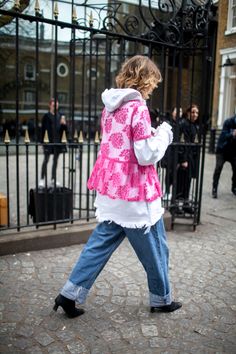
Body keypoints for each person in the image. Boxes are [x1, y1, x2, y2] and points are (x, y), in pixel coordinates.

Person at [53, 55, 182, 318]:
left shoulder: (110, 107)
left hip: (112, 192)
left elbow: (120, 147)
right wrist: (165, 135)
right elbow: (145, 154)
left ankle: (69, 294)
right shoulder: (138, 108)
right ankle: (161, 299)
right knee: (156, 248)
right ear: (144, 79)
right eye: (153, 81)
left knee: (97, 246)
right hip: (136, 196)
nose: (154, 87)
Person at [175, 104, 200, 214]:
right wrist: (183, 160)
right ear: (188, 113)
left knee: (187, 183)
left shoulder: (194, 125)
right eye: (193, 112)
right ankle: (175, 205)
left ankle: (185, 204)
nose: (195, 114)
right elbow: (181, 143)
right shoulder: (184, 124)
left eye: (197, 113)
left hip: (190, 159)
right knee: (180, 183)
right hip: (184, 160)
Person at [39, 99, 67, 187]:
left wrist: (64, 124)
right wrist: (42, 142)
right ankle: (42, 179)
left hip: (57, 142)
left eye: (57, 105)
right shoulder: (46, 116)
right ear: (50, 105)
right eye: (54, 105)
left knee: (55, 161)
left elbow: (65, 131)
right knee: (46, 160)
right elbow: (42, 130)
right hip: (48, 142)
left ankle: (53, 179)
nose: (55, 107)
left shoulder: (60, 116)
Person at [161, 106, 183, 200]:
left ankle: (174, 194)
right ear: (173, 112)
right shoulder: (168, 123)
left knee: (175, 173)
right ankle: (167, 192)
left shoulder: (181, 124)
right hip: (169, 152)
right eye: (177, 110)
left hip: (177, 152)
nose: (179, 113)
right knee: (168, 173)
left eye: (181, 111)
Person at [212, 114, 236, 198]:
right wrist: (233, 134)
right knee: (218, 168)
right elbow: (224, 135)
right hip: (222, 150)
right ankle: (214, 188)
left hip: (233, 152)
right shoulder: (228, 122)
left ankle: (234, 187)